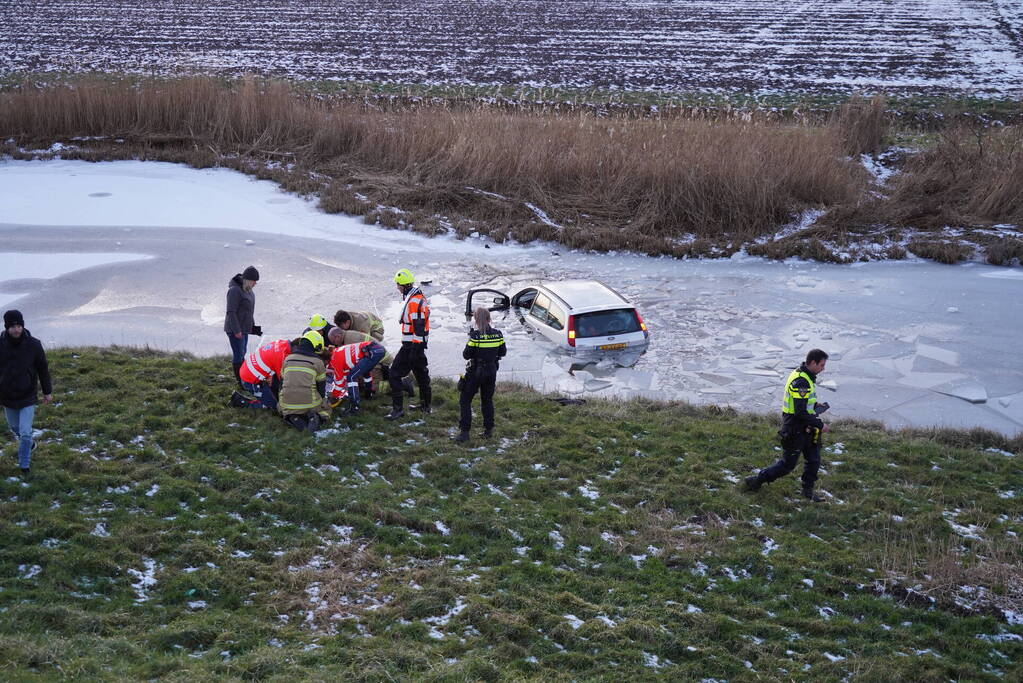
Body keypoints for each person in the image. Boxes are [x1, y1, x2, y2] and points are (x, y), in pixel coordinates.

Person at [744, 349, 831, 502]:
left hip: (807, 428)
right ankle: (757, 480)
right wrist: (820, 424)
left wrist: (815, 405)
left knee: (814, 459)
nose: (823, 369)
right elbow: (799, 411)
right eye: (822, 365)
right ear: (812, 363)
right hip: (795, 428)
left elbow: (803, 403)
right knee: (787, 465)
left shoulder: (805, 376)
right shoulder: (802, 380)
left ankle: (807, 491)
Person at [0, 310, 52, 476]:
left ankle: (24, 466)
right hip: (7, 396)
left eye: (19, 326)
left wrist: (47, 391)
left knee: (25, 431)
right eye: (13, 326)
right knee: (15, 428)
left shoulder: (34, 345)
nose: (17, 329)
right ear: (6, 327)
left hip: (27, 394)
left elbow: (43, 369)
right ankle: (29, 444)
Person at [454, 307, 506, 443]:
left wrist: (471, 340)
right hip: (491, 371)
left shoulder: (475, 336)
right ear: (489, 319)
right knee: (487, 401)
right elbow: (503, 352)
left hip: (475, 372)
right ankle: (488, 430)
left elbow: (466, 355)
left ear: (476, 320)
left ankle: (464, 433)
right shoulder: (498, 334)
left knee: (465, 400)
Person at [386, 269, 431, 420]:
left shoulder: (413, 301)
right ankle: (425, 406)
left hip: (411, 345)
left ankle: (398, 410)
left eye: (398, 285)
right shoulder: (416, 298)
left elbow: (418, 326)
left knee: (394, 374)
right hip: (416, 344)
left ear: (404, 285)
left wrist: (414, 350)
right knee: (421, 375)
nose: (397, 287)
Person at [278, 330, 330, 432]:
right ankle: (319, 418)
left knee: (280, 406)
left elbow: (281, 384)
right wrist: (322, 401)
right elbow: (321, 389)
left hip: (287, 404)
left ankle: (292, 417)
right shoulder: (318, 362)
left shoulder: (287, 359)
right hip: (310, 405)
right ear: (317, 346)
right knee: (327, 406)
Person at [327, 340, 386, 415]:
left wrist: (334, 395)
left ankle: (354, 407)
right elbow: (346, 371)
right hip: (376, 347)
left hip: (371, 351)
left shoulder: (334, 360)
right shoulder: (337, 350)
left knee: (351, 377)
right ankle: (369, 394)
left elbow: (339, 382)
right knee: (365, 372)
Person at [224, 266, 262, 385]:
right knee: (239, 354)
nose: (256, 283)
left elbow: (248, 311)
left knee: (243, 352)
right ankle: (240, 381)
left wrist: (253, 327)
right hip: (234, 329)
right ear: (248, 280)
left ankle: (243, 377)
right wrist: (237, 330)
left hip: (244, 329)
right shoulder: (234, 290)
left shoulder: (249, 291)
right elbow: (231, 311)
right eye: (254, 281)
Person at [234, 337, 293, 410]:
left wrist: (270, 374)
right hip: (250, 381)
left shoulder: (283, 343)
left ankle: (267, 392)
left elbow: (269, 359)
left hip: (248, 370)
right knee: (274, 407)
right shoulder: (282, 357)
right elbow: (283, 384)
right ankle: (239, 401)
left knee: (275, 390)